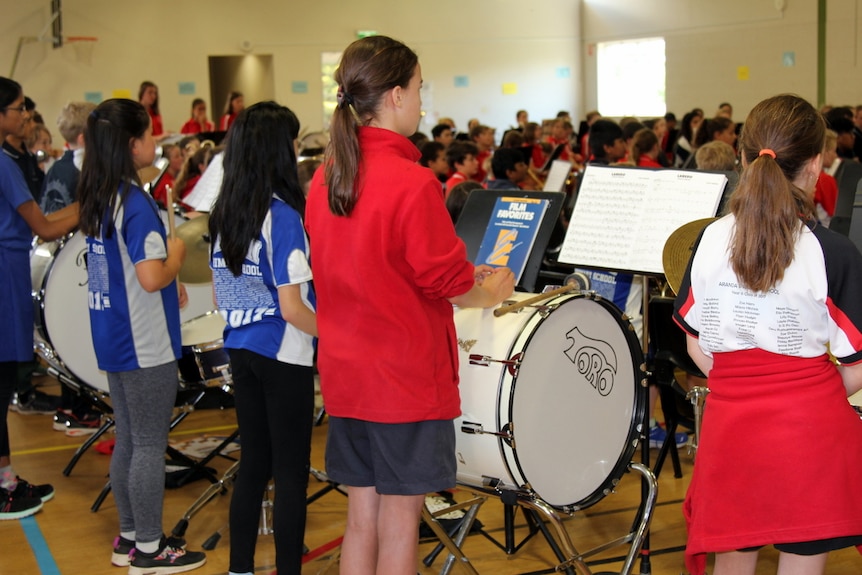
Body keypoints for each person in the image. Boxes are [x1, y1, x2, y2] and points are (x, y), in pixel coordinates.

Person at [305, 35, 515, 575]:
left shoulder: (327, 178)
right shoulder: (411, 182)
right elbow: (446, 280)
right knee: (401, 525)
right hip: (402, 380)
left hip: (347, 376)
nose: (423, 100)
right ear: (395, 96)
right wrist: (490, 289)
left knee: (361, 520)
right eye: (420, 88)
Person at [673, 93, 862, 575]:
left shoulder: (709, 239)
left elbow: (695, 342)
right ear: (818, 164)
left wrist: (744, 385)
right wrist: (805, 392)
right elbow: (858, 363)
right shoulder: (832, 252)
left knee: (732, 561)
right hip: (810, 432)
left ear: (741, 157)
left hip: (729, 426)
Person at [77, 98, 206, 574]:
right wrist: (174, 260)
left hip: (113, 334)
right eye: (150, 135)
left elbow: (122, 276)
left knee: (131, 438)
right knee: (149, 443)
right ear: (132, 145)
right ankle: (151, 550)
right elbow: (152, 276)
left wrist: (163, 279)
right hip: (143, 342)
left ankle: (129, 537)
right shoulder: (134, 203)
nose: (156, 142)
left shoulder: (98, 193)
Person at [208, 101, 316, 575]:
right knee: (291, 473)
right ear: (278, 151)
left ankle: (240, 569)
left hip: (241, 350)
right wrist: (343, 335)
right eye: (293, 143)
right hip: (282, 352)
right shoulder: (283, 215)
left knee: (254, 465)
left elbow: (221, 290)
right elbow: (294, 308)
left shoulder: (224, 211)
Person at [0, 77, 78, 520]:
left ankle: (6, 477)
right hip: (4, 272)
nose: (25, 115)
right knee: (2, 381)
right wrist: (93, 202)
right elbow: (46, 228)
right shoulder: (5, 164)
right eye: (17, 109)